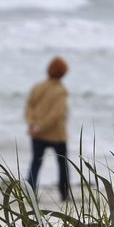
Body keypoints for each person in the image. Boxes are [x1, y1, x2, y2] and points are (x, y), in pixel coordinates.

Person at [25, 56, 70, 201]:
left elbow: (29, 107)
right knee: (62, 164)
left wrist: (33, 125)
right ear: (63, 73)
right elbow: (57, 114)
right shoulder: (61, 91)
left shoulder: (38, 87)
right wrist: (39, 127)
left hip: (37, 133)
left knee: (35, 163)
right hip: (56, 135)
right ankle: (64, 195)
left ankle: (30, 194)